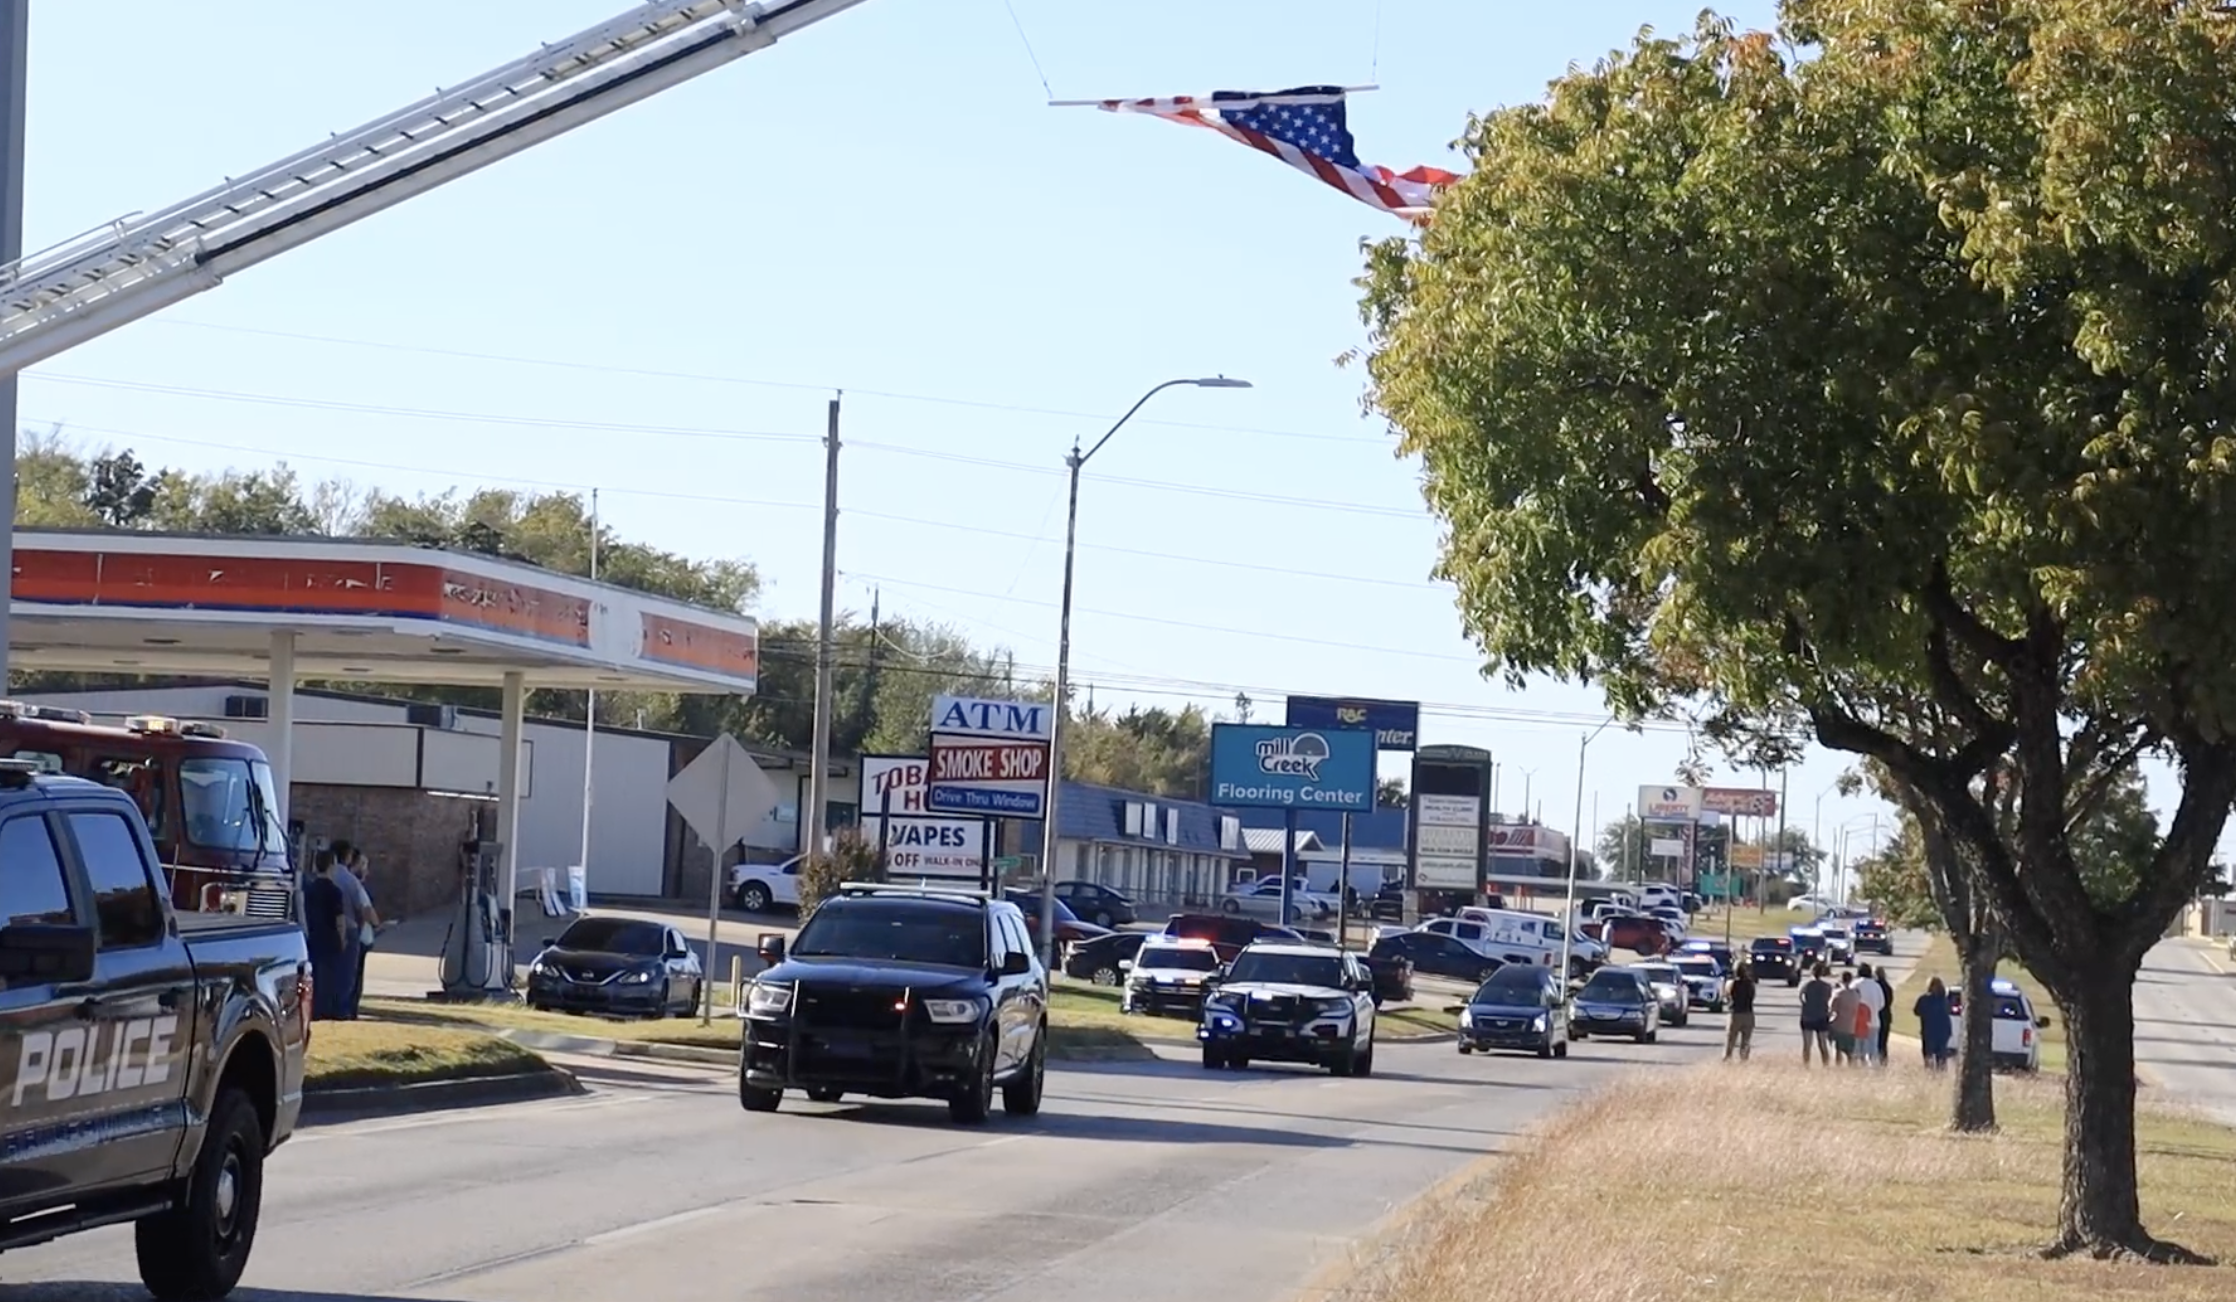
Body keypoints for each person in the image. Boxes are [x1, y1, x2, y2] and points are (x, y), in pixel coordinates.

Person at [302, 851, 351, 1021]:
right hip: (330, 938)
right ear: (332, 866)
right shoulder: (335, 891)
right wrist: (343, 938)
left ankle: (313, 1008)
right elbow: (340, 919)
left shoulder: (309, 889)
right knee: (330, 977)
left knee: (314, 974)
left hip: (314, 935)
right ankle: (326, 1008)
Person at [1798, 962, 1834, 1066]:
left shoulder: (1806, 985)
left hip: (1807, 1016)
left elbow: (1800, 997)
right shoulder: (1827, 986)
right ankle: (1825, 1065)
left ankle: (1806, 1065)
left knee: (1807, 1045)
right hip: (1822, 1017)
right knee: (1823, 1044)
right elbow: (1830, 1000)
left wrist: (1807, 1004)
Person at [1915, 976, 1954, 1069]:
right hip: (1944, 1032)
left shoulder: (1924, 999)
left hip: (1929, 1031)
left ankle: (1930, 1075)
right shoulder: (1945, 1000)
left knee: (1928, 1055)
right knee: (1941, 1056)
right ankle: (1941, 1074)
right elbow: (1949, 1011)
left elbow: (1916, 1011)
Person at [1724, 960, 1757, 1061]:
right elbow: (1753, 996)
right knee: (1746, 1041)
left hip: (1735, 1014)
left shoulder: (1731, 983)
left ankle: (1727, 1058)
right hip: (1748, 1014)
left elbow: (1727, 996)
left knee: (1731, 1040)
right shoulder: (1751, 984)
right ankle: (1744, 1060)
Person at [1854, 961, 1887, 1065]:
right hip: (1874, 1021)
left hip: (1858, 1023)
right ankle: (1873, 1069)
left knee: (1858, 1049)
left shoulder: (1856, 984)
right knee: (1872, 1049)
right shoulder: (1876, 986)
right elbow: (1882, 1004)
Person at [1829, 971, 1860, 1064]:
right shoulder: (1856, 994)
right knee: (1850, 1051)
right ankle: (1851, 1067)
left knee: (1838, 1049)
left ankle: (1838, 1066)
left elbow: (1831, 1008)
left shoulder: (1838, 994)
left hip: (1839, 1025)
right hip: (1851, 1026)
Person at [1875, 964, 1897, 1065]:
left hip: (1877, 1016)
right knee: (1883, 1043)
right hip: (1886, 1016)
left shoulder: (1875, 986)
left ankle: (1875, 1062)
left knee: (1875, 1042)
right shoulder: (1888, 987)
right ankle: (1883, 1062)